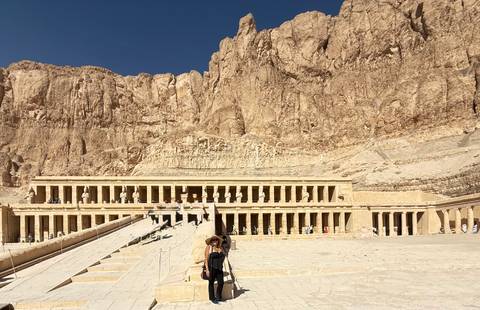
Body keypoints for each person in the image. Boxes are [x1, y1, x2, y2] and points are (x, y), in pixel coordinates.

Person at [204, 235, 225, 304]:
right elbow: (206, 259)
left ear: (218, 241)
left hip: (219, 268)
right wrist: (207, 269)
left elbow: (223, 256)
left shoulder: (220, 247)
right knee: (211, 283)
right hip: (211, 268)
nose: (215, 241)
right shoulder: (209, 247)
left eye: (216, 240)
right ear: (211, 241)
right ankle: (212, 298)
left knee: (221, 282)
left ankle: (218, 296)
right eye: (213, 240)